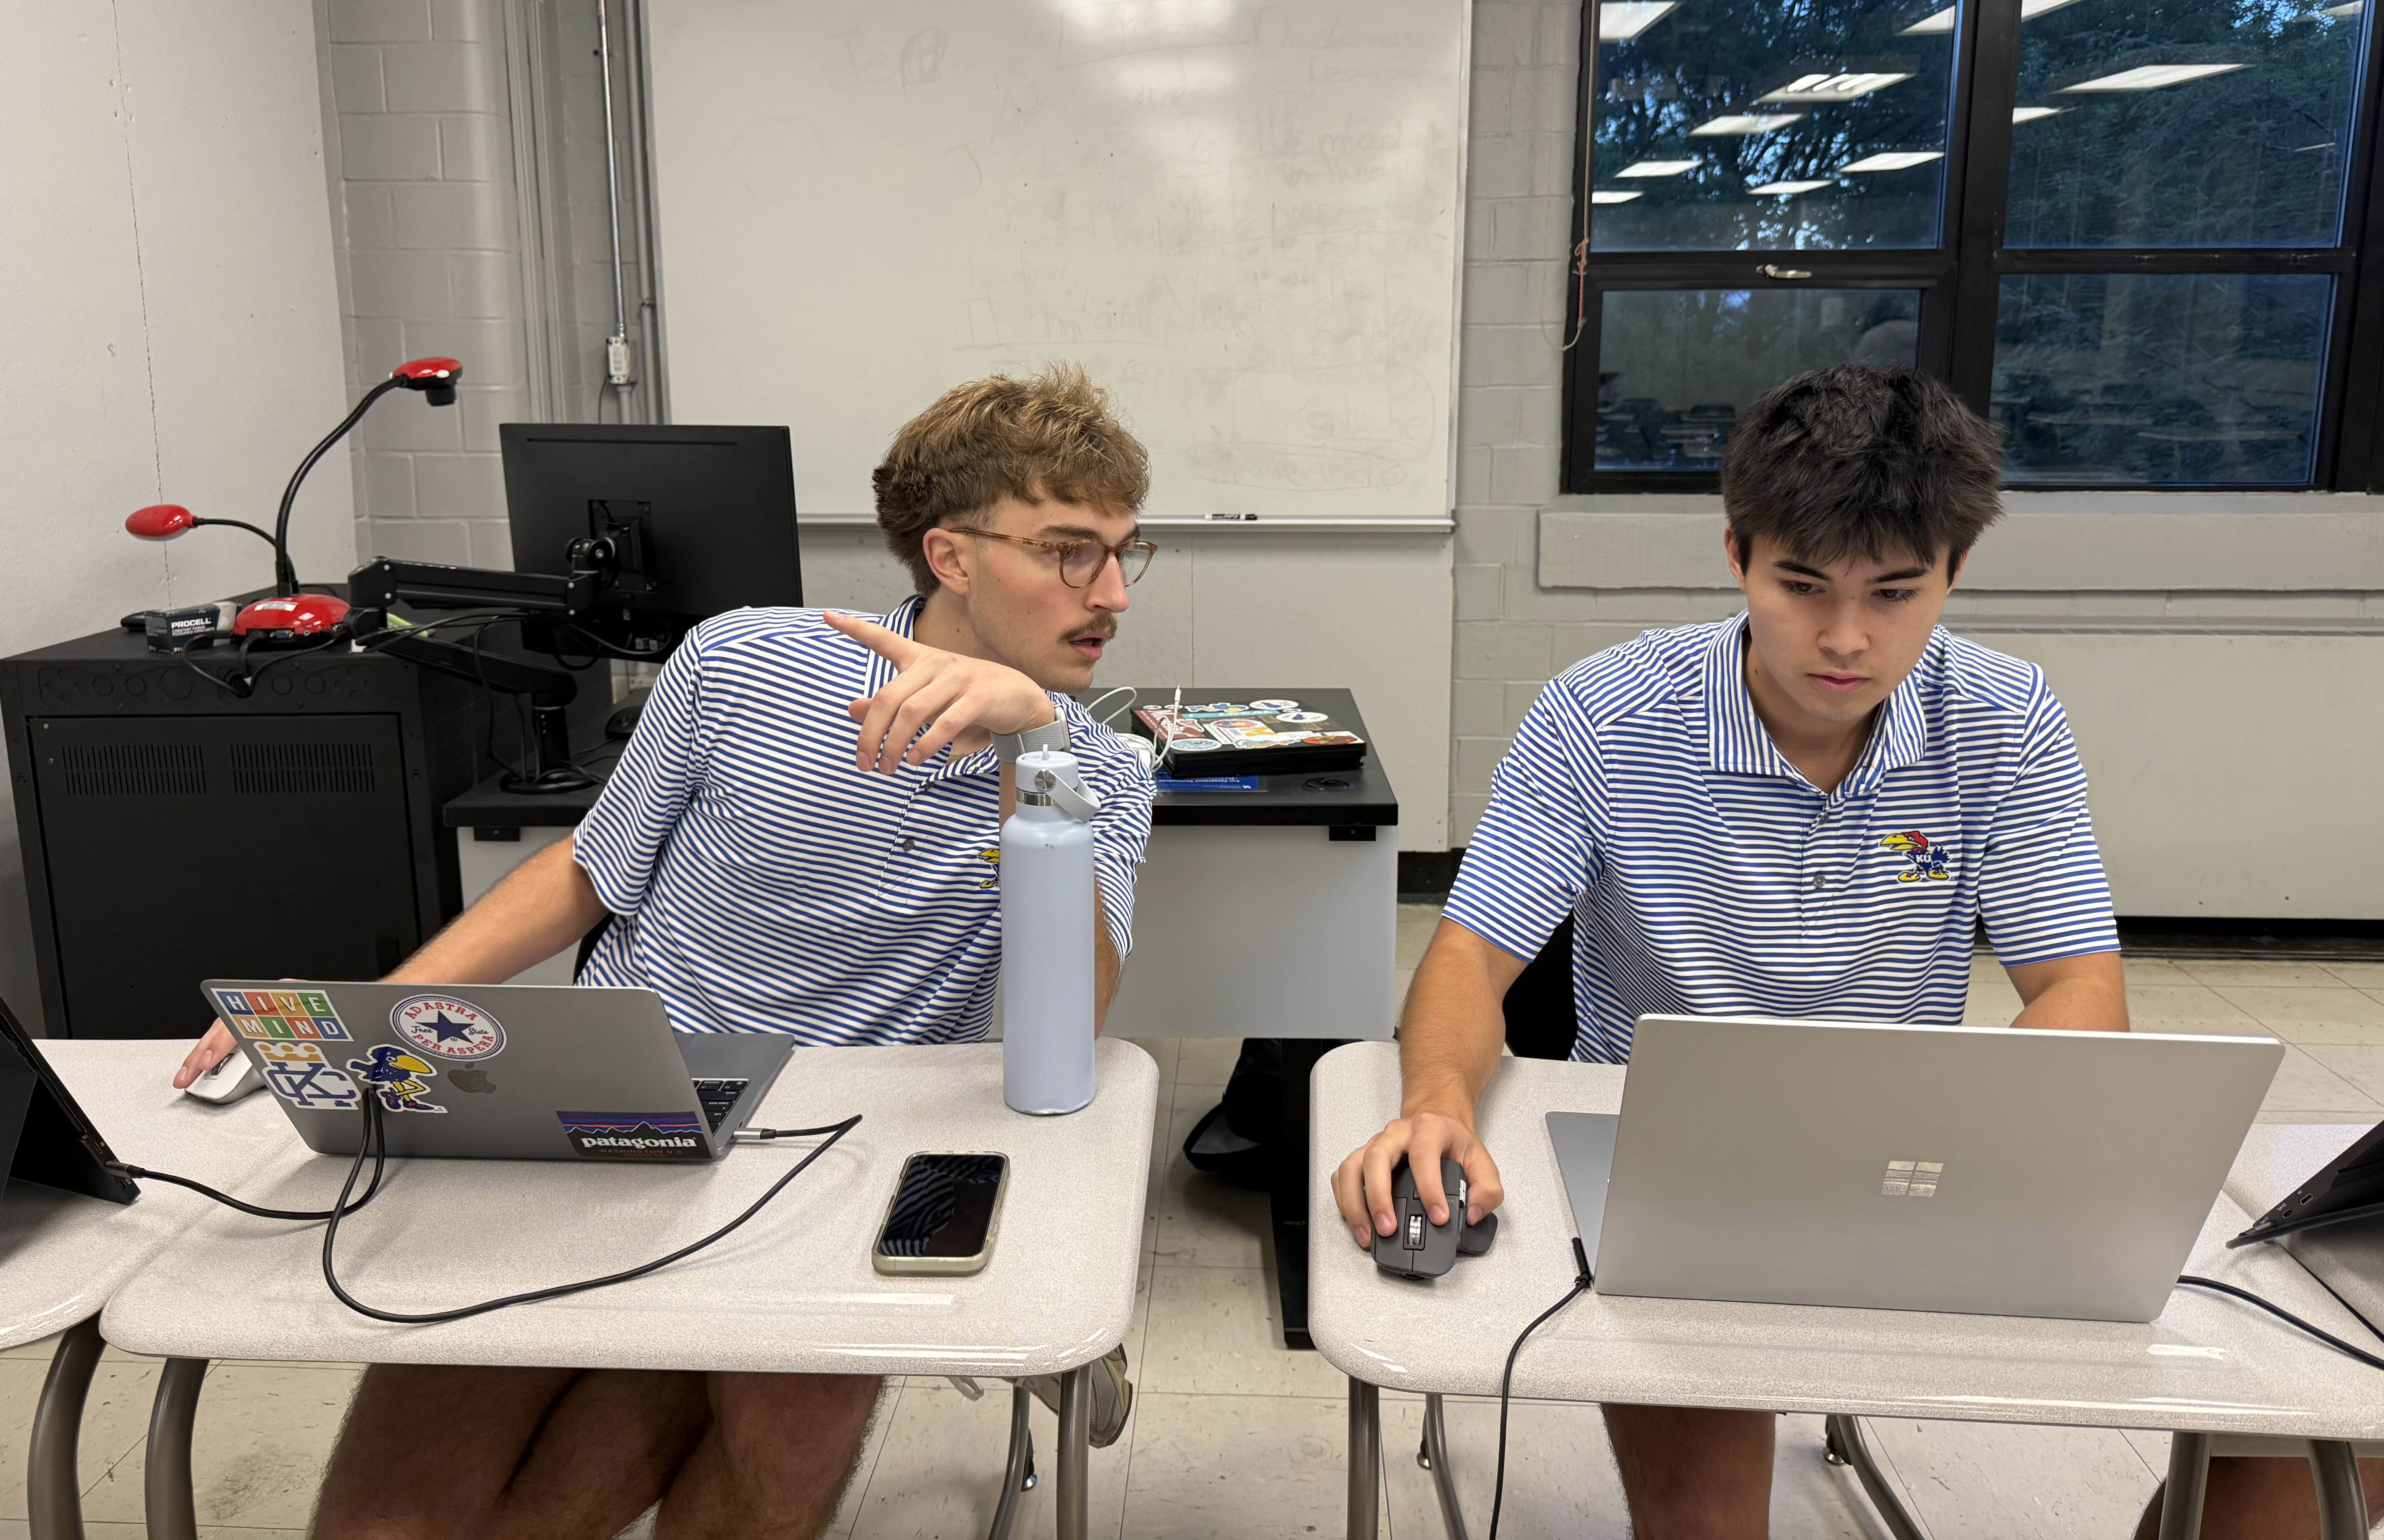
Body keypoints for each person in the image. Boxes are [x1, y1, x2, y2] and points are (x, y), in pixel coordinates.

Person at [172, 364, 1161, 1540]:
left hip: (841, 1155)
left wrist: (1030, 747)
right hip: (615, 1105)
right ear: (951, 557)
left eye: (1122, 552)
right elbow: (593, 870)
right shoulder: (744, 661)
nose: (1111, 592)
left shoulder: (1094, 768)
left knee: (760, 1474)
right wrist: (366, 1013)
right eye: (1069, 551)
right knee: (390, 1522)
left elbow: (1070, 1016)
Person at [1336, 364, 2145, 1538]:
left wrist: (1972, 1139)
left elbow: (2080, 986)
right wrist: (1436, 1099)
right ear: (1737, 555)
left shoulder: (2005, 721)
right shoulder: (1601, 717)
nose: (1845, 637)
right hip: (1665, 1160)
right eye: (1802, 585)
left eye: (1897, 593)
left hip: (1902, 1169)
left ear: (1956, 573)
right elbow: (1470, 957)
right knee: (1714, 1520)